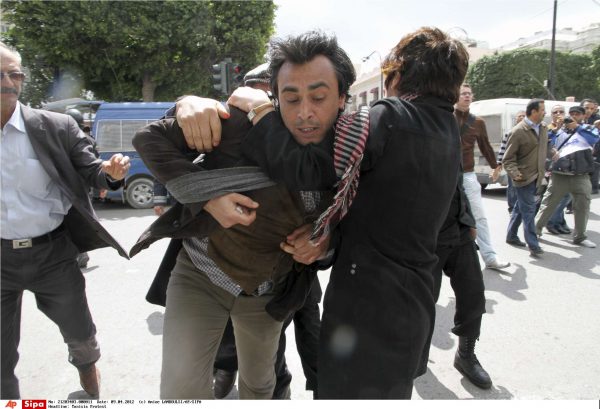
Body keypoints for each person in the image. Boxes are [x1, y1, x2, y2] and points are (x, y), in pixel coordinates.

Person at [219, 27, 469, 399]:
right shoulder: (448, 129)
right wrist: (329, 237)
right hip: (413, 304)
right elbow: (386, 210)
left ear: (396, 78)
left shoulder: (391, 116)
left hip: (366, 308)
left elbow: (307, 169)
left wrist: (261, 111)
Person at [129, 32, 352, 399]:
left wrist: (323, 241)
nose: (304, 113)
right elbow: (149, 140)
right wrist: (207, 195)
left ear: (342, 98)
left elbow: (355, 229)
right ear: (274, 98)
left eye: (319, 96)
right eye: (290, 98)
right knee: (180, 389)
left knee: (261, 383)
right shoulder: (239, 122)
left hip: (269, 292)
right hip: (199, 276)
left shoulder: (354, 156)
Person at [0, 42, 130, 399]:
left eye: (16, 73)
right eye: (1, 74)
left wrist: (111, 173)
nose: (9, 81)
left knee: (79, 333)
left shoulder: (54, 127)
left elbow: (94, 171)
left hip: (52, 254)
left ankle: (88, 374)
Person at [433, 175, 492, 389]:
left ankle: (465, 355)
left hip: (459, 229)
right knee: (423, 301)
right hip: (426, 234)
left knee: (473, 293)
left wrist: (469, 219)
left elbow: (458, 183)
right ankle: (415, 357)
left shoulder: (452, 140)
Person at [454, 84, 510, 271]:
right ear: (456, 96)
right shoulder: (445, 117)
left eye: (469, 94)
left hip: (468, 176)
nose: (467, 96)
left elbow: (485, 146)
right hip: (446, 175)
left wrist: (495, 166)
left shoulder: (477, 122)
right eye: (463, 94)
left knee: (479, 217)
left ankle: (490, 257)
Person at [534, 114, 599, 248]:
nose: (572, 118)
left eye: (576, 115)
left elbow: (594, 139)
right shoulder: (556, 131)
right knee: (548, 204)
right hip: (560, 175)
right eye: (570, 115)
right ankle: (534, 232)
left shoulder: (587, 129)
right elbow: (545, 146)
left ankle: (580, 237)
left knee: (583, 207)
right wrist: (557, 129)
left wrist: (577, 127)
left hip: (581, 175)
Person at [503, 99, 548, 257]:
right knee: (529, 210)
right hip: (524, 178)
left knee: (520, 208)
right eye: (542, 110)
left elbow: (544, 148)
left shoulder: (543, 127)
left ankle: (511, 236)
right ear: (534, 112)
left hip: (538, 176)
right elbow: (507, 159)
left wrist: (553, 155)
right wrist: (515, 173)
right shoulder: (518, 131)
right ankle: (533, 245)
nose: (545, 112)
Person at [497, 110, 525, 214]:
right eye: (519, 116)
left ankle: (521, 207)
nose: (522, 117)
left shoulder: (531, 131)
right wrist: (499, 163)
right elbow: (503, 148)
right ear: (516, 119)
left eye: (524, 116)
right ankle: (512, 208)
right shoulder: (509, 132)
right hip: (512, 164)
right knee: (512, 187)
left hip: (525, 164)